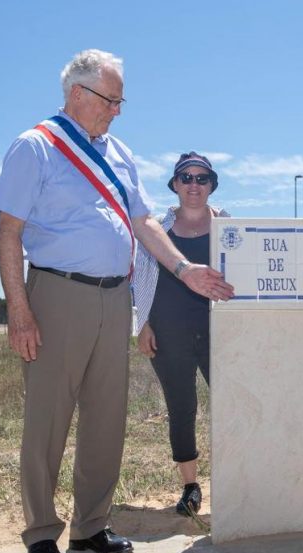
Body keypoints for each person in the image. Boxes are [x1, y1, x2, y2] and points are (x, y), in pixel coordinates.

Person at [0, 49, 233, 553]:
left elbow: (145, 221)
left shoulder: (119, 152)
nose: (117, 109)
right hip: (57, 294)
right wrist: (19, 310)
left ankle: (90, 526)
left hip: (113, 297)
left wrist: (183, 269)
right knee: (48, 418)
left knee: (107, 417)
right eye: (111, 99)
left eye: (121, 101)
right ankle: (40, 532)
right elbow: (8, 232)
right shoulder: (35, 146)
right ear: (78, 93)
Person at [130, 152, 228, 516]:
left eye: (202, 179)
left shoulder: (229, 225)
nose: (193, 185)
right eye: (186, 178)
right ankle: (190, 486)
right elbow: (140, 278)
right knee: (181, 408)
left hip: (219, 330)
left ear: (211, 185)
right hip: (169, 330)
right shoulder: (157, 228)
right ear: (174, 184)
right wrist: (143, 325)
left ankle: (238, 477)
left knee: (235, 402)